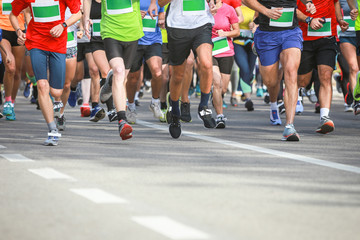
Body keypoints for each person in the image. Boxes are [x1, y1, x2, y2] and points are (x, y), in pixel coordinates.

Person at [10, 0, 81, 146]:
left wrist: (63, 25)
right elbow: (13, 14)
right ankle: (52, 130)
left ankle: (56, 103)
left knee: (56, 92)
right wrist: (19, 31)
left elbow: (77, 13)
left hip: (58, 43)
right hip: (36, 42)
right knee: (42, 85)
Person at [243, 0, 316, 141]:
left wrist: (308, 3)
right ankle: (273, 104)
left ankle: (289, 125)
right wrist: (266, 11)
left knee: (291, 72)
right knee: (271, 81)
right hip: (266, 35)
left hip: (291, 32)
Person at [85, 0, 158, 140]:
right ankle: (122, 121)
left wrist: (153, 3)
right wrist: (86, 17)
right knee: (118, 70)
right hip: (110, 31)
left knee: (121, 78)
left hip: (132, 32)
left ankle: (109, 84)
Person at [158, 0, 218, 139]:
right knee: (178, 75)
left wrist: (213, 3)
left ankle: (203, 106)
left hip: (202, 23)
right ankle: (174, 110)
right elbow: (161, 2)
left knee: (207, 64)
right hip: (177, 26)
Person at [297, 0, 348, 134]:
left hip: (327, 37)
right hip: (304, 39)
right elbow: (292, 9)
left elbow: (336, 2)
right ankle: (300, 90)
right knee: (302, 81)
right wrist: (309, 20)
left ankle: (324, 117)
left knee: (325, 76)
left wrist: (339, 20)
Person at [126, 0, 165, 124]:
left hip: (153, 41)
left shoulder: (158, 1)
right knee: (133, 77)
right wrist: (136, 15)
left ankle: (155, 102)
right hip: (135, 41)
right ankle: (130, 106)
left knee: (158, 72)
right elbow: (123, 16)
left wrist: (161, 21)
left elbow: (161, 15)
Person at [211, 0, 239, 128]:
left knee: (223, 87)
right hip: (209, 51)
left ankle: (216, 98)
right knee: (217, 83)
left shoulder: (229, 9)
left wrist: (225, 33)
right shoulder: (204, 9)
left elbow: (236, 31)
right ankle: (220, 116)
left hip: (226, 51)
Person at [0, 0, 26, 121]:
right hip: (2, 32)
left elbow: (28, 13)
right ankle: (8, 101)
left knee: (17, 72)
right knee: (10, 67)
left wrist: (29, 33)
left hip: (19, 32)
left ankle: (11, 103)